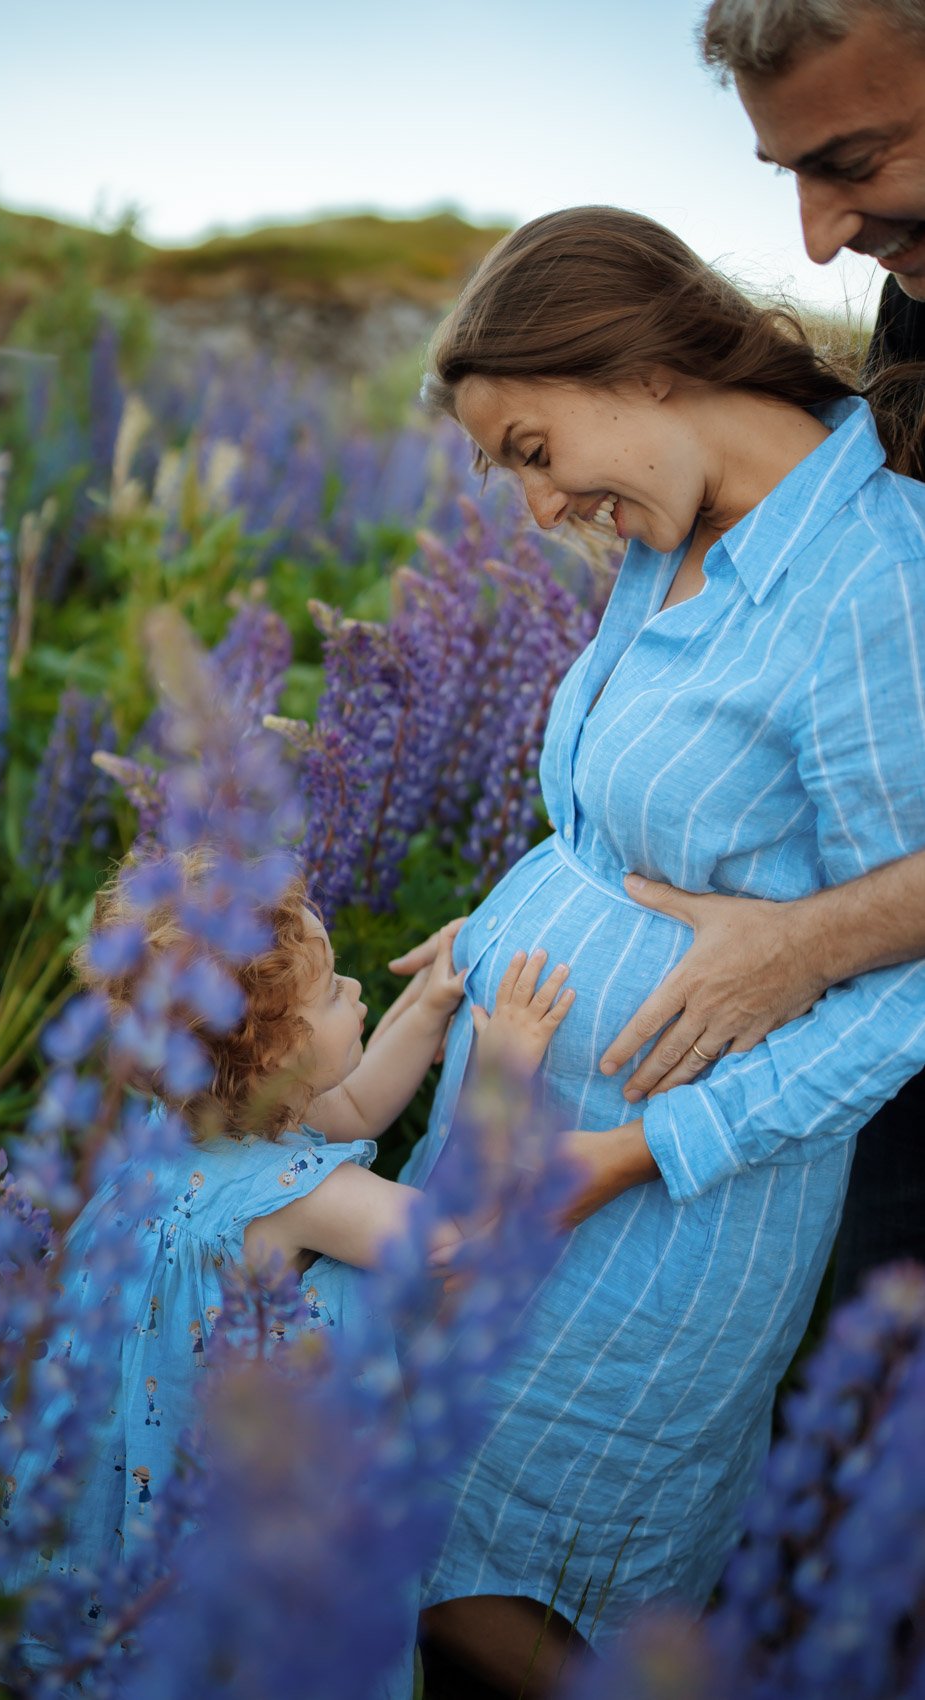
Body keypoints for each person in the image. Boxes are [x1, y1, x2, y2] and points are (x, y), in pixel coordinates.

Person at [391, 205, 925, 1695]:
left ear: (633, 369)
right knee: (418, 1536)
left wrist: (634, 1155)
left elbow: (906, 982)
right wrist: (497, 934)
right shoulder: (676, 538)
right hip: (517, 1144)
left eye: (530, 452)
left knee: (534, 1614)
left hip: (661, 1203)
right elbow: (621, 839)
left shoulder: (871, 575)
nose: (530, 509)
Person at [0, 848, 573, 1689]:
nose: (358, 993)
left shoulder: (202, 1118)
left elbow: (344, 1108)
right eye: (337, 991)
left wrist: (426, 1006)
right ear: (275, 1060)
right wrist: (507, 1065)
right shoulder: (298, 1196)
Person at [584, 0, 925, 1303]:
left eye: (852, 161)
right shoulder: (913, 298)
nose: (821, 235)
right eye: (791, 176)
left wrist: (803, 946)